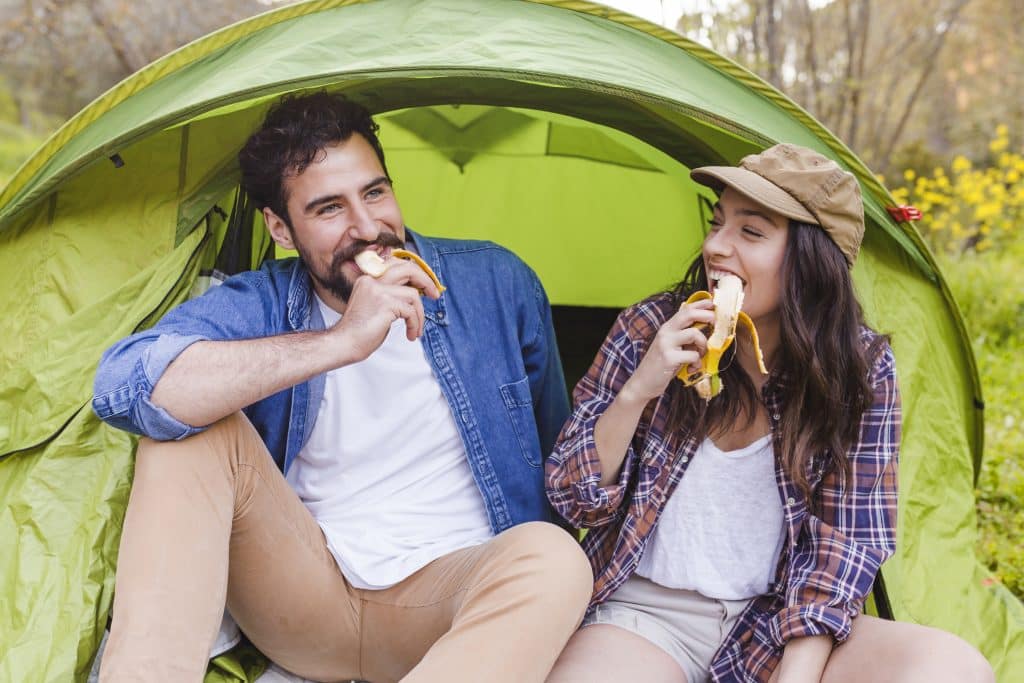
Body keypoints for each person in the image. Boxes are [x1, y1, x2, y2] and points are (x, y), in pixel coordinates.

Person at [91, 91, 593, 683]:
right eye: (329, 208)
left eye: (375, 192)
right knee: (186, 431)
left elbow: (560, 459)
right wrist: (340, 343)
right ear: (280, 227)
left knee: (555, 557)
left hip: (453, 602)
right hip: (308, 599)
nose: (367, 227)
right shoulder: (263, 302)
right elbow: (124, 384)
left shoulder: (495, 282)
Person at [544, 144, 995, 683]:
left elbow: (846, 539)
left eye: (750, 232)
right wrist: (640, 389)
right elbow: (575, 500)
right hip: (643, 617)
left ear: (812, 263)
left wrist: (797, 674)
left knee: (953, 669)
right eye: (717, 223)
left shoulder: (860, 368)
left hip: (776, 623)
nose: (715, 247)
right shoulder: (653, 327)